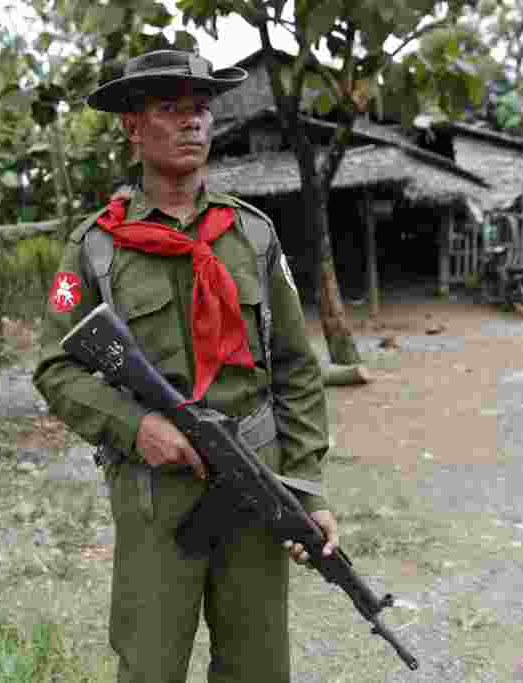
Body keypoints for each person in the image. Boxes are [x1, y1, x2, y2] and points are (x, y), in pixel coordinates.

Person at [33, 49, 337, 683]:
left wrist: (305, 486)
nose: (193, 123)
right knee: (150, 666)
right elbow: (55, 369)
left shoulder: (252, 235)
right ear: (132, 128)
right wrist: (135, 426)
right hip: (155, 495)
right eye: (170, 110)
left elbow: (297, 370)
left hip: (254, 484)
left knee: (257, 668)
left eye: (200, 109)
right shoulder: (94, 248)